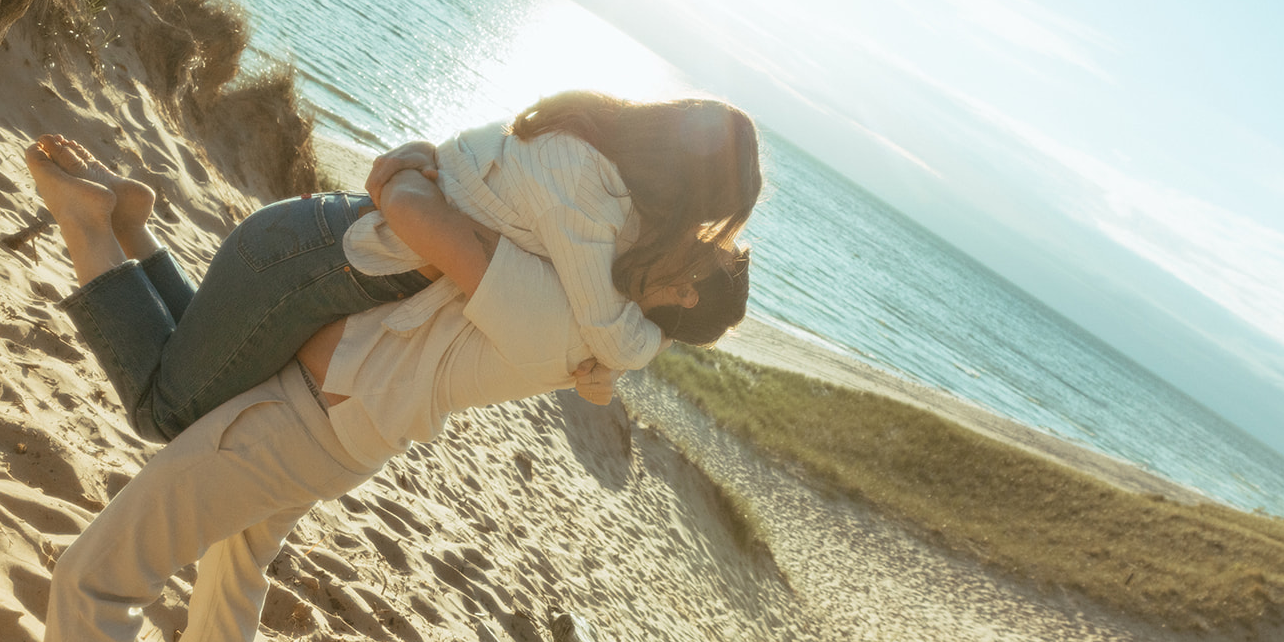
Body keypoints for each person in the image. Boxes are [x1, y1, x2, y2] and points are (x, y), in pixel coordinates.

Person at [21, 137, 751, 642]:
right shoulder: (598, 318)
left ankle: (95, 227)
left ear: (686, 293)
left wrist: (413, 169)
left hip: (300, 417)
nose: (687, 232)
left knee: (95, 582)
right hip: (337, 428)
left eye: (707, 248)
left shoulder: (567, 314)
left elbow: (427, 221)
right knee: (231, 588)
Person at [55, 90, 760, 442]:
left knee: (192, 358)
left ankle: (132, 228)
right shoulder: (591, 196)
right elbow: (605, 328)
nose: (698, 232)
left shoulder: (599, 173)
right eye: (708, 216)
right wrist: (656, 337)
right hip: (311, 262)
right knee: (168, 412)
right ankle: (87, 222)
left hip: (310, 246)